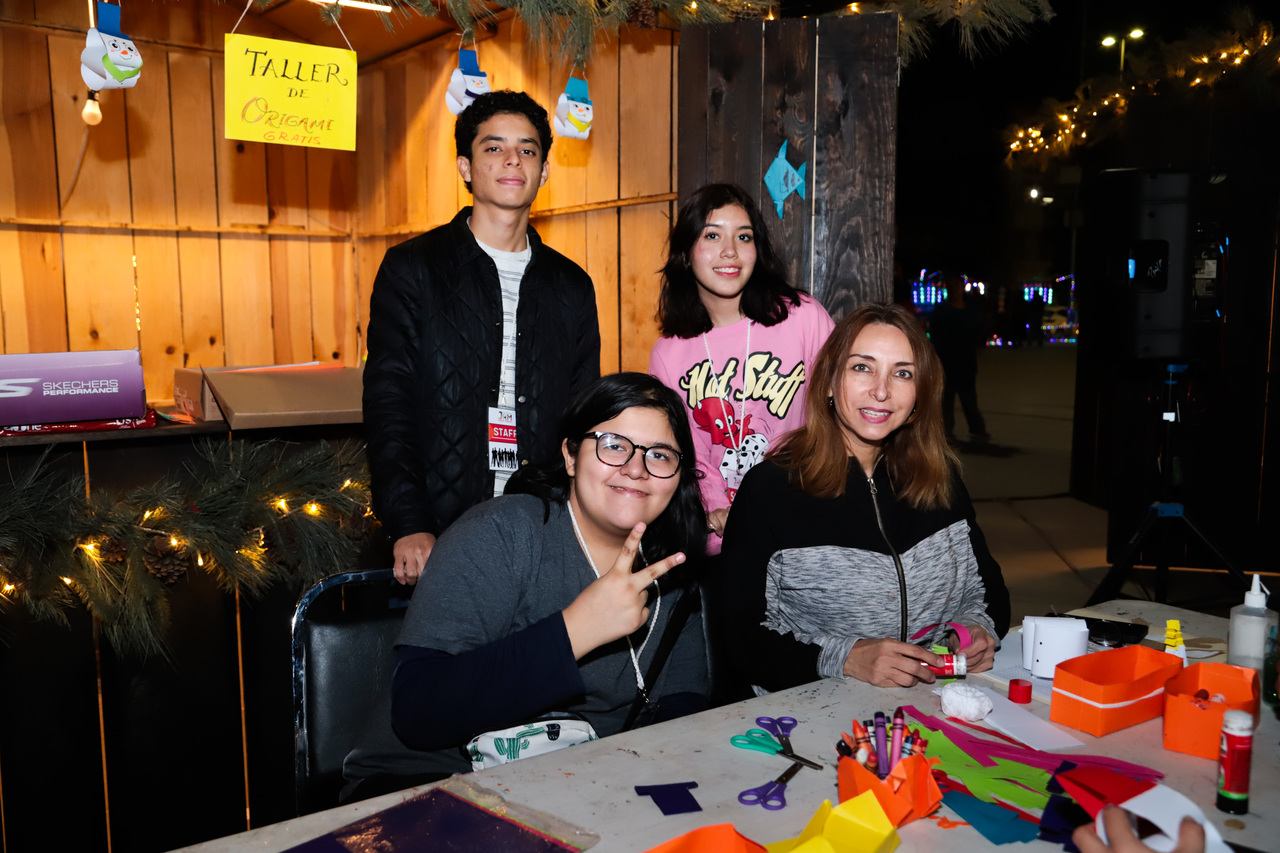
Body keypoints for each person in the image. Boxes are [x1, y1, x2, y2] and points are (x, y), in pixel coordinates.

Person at [342, 373, 710, 799]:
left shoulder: (672, 565)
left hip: (583, 789)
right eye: (613, 445)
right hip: (429, 787)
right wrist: (577, 630)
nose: (634, 468)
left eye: (660, 455)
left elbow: (683, 708)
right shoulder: (501, 534)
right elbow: (418, 710)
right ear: (571, 456)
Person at [362, 90, 601, 585]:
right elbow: (389, 404)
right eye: (494, 147)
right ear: (466, 167)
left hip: (542, 528)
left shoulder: (571, 285)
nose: (513, 159)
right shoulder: (413, 269)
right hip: (442, 532)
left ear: (545, 171)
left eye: (528, 149)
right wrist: (410, 523)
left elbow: (585, 419)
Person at [720, 302, 1010, 693]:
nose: (881, 390)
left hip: (934, 706)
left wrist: (973, 630)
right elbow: (737, 637)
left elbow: (987, 589)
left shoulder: (941, 480)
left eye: (902, 373)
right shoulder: (770, 490)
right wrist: (846, 658)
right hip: (807, 717)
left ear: (919, 397)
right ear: (827, 382)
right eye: (862, 367)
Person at [648, 183, 834, 554]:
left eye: (743, 236)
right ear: (685, 253)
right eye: (712, 235)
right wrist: (721, 515)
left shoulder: (803, 318)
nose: (729, 251)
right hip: (721, 542)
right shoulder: (668, 353)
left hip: (807, 530)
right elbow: (682, 455)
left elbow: (836, 419)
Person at [928, 275, 989, 442]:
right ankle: (946, 431)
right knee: (946, 399)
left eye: (957, 286)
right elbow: (935, 333)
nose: (954, 290)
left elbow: (978, 332)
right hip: (947, 361)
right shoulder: (942, 311)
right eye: (951, 287)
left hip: (965, 362)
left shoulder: (970, 311)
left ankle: (976, 428)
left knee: (968, 398)